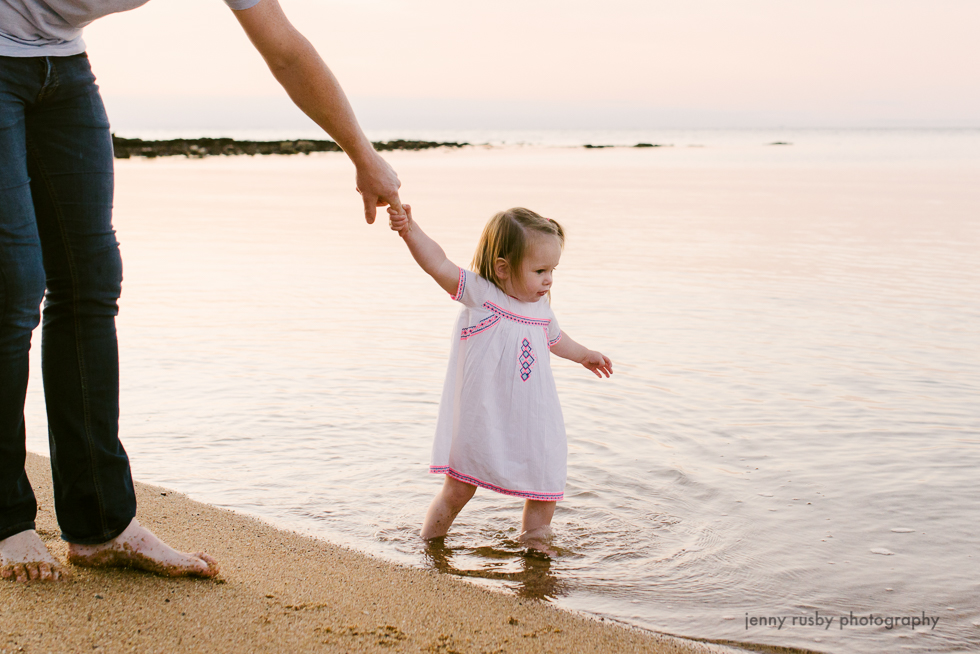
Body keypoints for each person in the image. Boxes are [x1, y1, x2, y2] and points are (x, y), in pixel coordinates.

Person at [0, 0, 402, 583]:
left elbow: (284, 48)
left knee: (90, 282)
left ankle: (100, 525)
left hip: (62, 64)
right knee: (13, 287)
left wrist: (362, 155)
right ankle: (7, 522)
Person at [388, 205, 612, 552]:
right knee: (460, 488)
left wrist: (584, 355)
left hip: (534, 419)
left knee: (544, 483)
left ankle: (536, 552)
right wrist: (409, 229)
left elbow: (557, 340)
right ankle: (429, 546)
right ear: (503, 269)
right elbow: (438, 263)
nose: (549, 279)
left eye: (552, 270)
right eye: (539, 270)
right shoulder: (483, 296)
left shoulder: (540, 310)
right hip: (485, 417)